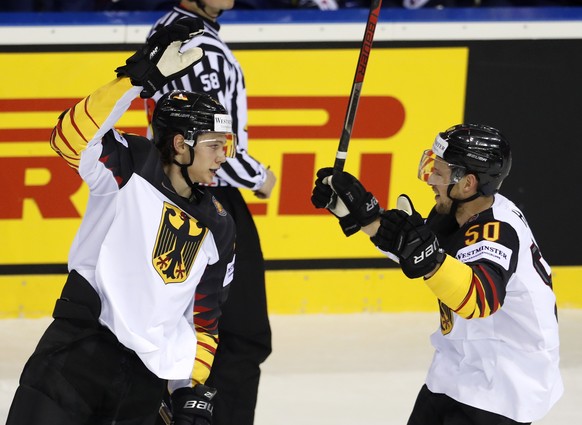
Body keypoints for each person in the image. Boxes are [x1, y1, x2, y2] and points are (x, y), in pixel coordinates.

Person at [6, 17, 237, 425]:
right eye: (215, 145)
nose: (224, 156)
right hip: (75, 356)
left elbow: (203, 324)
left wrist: (188, 389)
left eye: (226, 145)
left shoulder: (219, 224)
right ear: (181, 145)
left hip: (142, 387)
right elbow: (68, 139)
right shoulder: (130, 164)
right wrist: (134, 81)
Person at [311, 123, 563, 425]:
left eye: (439, 173)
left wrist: (428, 258)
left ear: (467, 183)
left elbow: (481, 299)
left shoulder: (496, 230)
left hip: (504, 384)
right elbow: (415, 248)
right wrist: (363, 217)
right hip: (456, 367)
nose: (430, 180)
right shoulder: (456, 213)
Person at [147, 2, 276, 425]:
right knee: (239, 337)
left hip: (184, 195)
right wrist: (260, 177)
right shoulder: (198, 46)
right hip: (207, 199)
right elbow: (209, 142)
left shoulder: (173, 29)